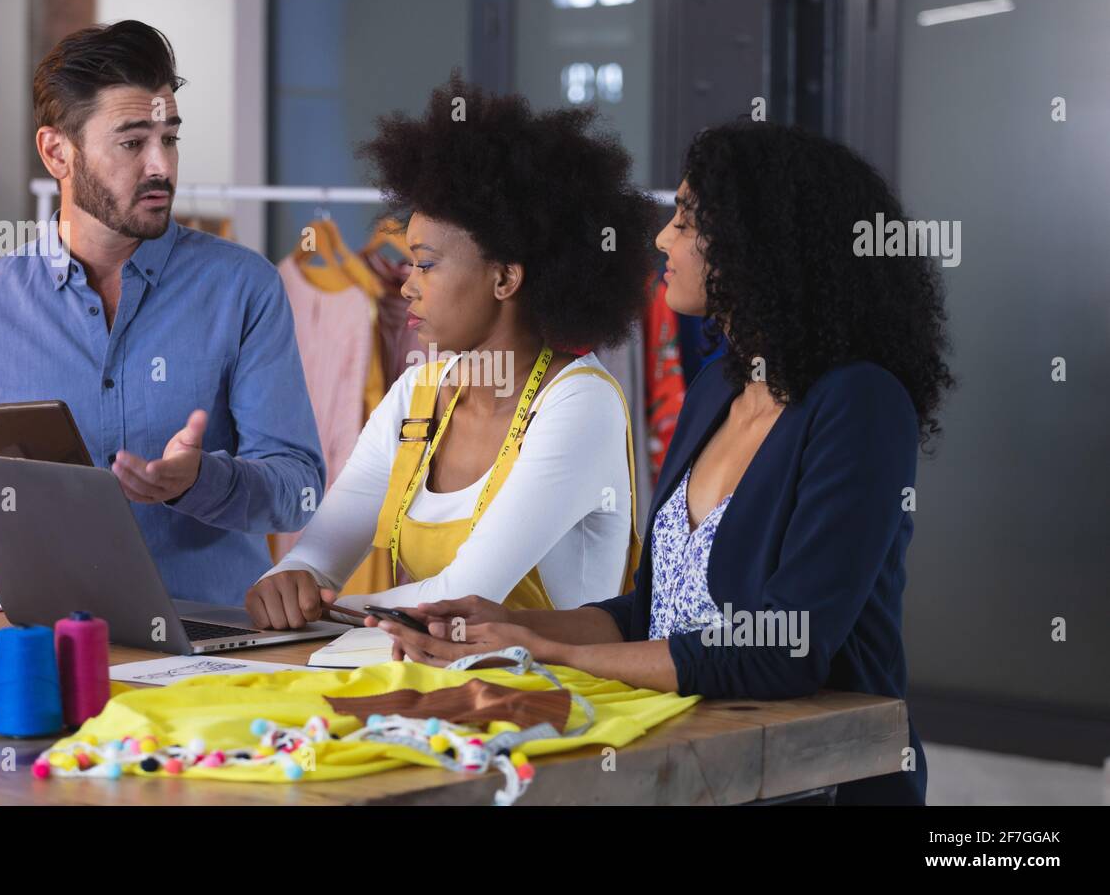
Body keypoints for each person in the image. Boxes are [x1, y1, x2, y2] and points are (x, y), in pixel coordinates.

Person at [366, 119, 954, 806]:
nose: (661, 238)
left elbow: (784, 648)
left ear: (759, 240)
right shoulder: (715, 390)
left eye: (685, 218)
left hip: (811, 778)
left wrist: (554, 654)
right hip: (690, 757)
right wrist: (506, 625)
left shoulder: (860, 402)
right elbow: (654, 610)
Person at [0, 20, 325, 604]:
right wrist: (31, 532)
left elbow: (299, 491)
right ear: (57, 152)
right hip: (54, 645)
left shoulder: (244, 288)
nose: (161, 165)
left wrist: (201, 481)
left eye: (170, 138)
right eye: (133, 142)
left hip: (214, 653)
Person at [245, 72, 656, 629]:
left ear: (505, 277)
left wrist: (321, 604)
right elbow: (320, 553)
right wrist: (290, 579)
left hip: (552, 702)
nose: (407, 285)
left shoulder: (581, 405)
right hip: (433, 695)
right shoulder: (418, 393)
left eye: (427, 264)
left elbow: (460, 596)